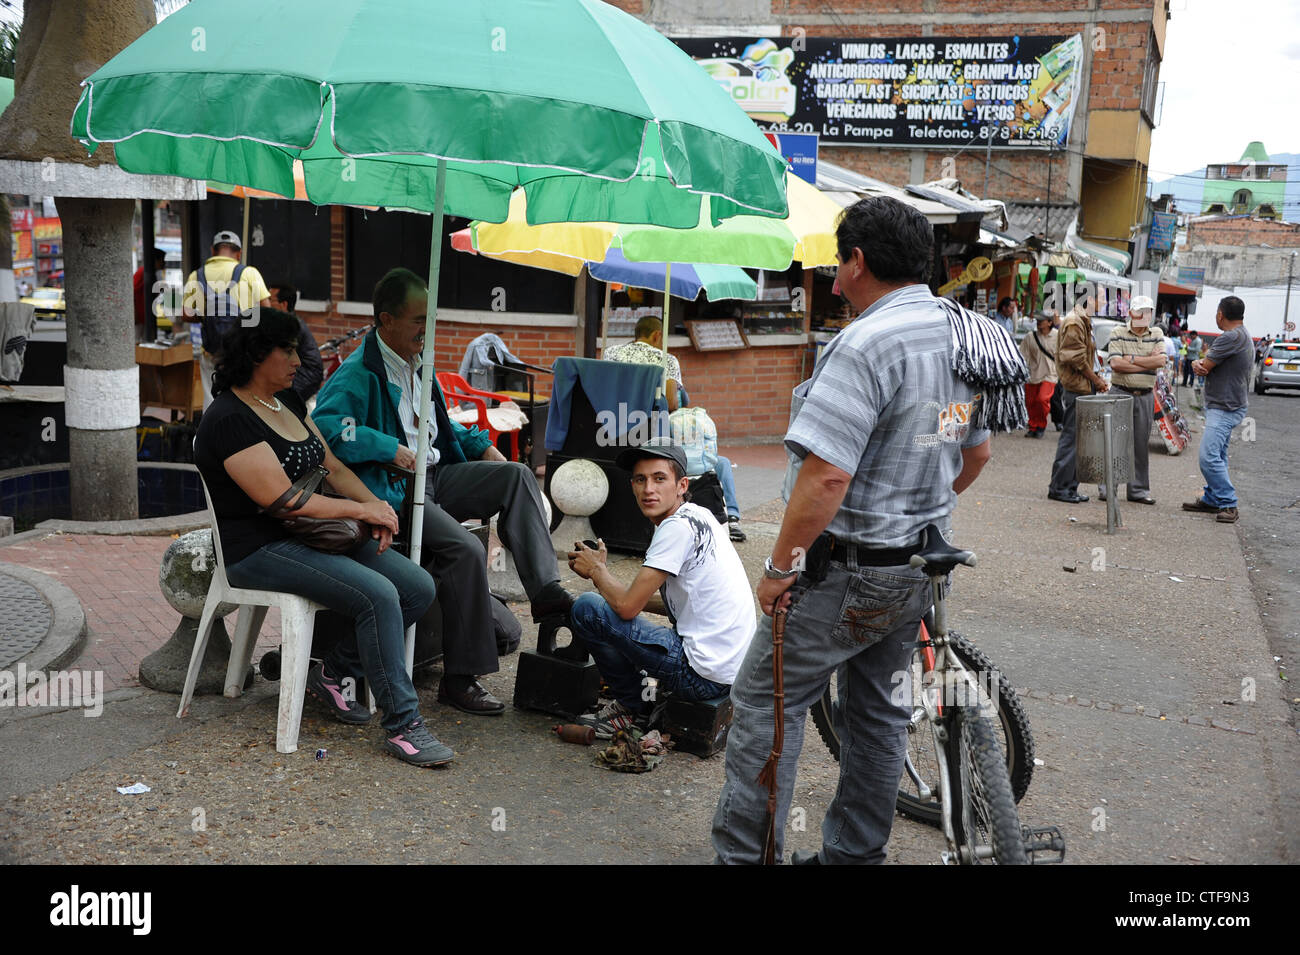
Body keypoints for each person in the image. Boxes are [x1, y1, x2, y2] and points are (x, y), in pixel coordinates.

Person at [711, 197, 1008, 865]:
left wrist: (780, 566)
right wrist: (913, 507)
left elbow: (825, 480)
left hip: (842, 571)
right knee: (876, 714)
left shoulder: (865, 342)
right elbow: (973, 454)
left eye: (839, 264)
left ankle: (746, 858)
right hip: (917, 571)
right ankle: (853, 856)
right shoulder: (959, 334)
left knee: (763, 707)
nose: (836, 280)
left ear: (859, 262)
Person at [193, 306, 452, 767]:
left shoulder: (287, 401)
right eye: (287, 350)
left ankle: (334, 672)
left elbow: (331, 466)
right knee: (377, 595)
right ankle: (404, 727)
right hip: (258, 548)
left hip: (313, 535)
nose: (300, 359)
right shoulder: (228, 419)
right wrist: (360, 508)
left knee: (417, 587)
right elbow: (284, 500)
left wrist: (379, 511)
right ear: (256, 353)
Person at [313, 268, 572, 715]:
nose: (426, 330)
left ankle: (546, 594)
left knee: (516, 475)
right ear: (386, 320)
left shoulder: (419, 362)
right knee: (466, 550)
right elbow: (327, 430)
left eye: (429, 320)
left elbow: (440, 426)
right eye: (418, 321)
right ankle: (459, 679)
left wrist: (486, 447)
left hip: (437, 477)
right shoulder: (358, 372)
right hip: (397, 490)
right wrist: (386, 447)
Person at [566, 438, 753, 738]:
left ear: (681, 485)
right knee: (610, 607)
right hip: (731, 673)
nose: (648, 489)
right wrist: (613, 585)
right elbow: (675, 602)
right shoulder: (700, 515)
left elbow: (627, 607)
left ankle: (632, 706)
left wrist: (598, 572)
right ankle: (643, 692)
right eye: (640, 480)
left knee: (587, 608)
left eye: (659, 479)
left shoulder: (675, 528)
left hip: (701, 676)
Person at [605, 315, 747, 542]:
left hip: (612, 428)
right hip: (654, 433)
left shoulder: (610, 353)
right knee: (720, 462)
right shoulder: (666, 360)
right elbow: (672, 403)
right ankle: (732, 517)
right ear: (657, 336)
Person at [1183, 296, 1252, 524]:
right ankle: (1213, 499)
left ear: (1221, 314)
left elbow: (1203, 367)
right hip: (1229, 404)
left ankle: (1228, 503)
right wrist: (1200, 363)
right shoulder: (1243, 334)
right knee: (1219, 456)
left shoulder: (1230, 337)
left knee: (1208, 457)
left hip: (1225, 407)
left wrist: (1196, 363)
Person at [184, 230, 272, 410]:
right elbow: (267, 309)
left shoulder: (196, 275)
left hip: (212, 351)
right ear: (238, 253)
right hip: (244, 350)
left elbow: (185, 314)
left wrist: (206, 314)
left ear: (213, 251)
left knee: (211, 397)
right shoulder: (249, 273)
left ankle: (211, 435)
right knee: (243, 396)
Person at [1099, 294, 1165, 505]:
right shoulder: (1118, 332)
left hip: (1144, 395)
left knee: (1139, 444)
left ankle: (1138, 490)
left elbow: (1161, 361)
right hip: (1121, 392)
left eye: (1148, 312)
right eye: (1141, 312)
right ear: (1131, 314)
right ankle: (1108, 487)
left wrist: (1133, 360)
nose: (1145, 316)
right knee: (1114, 442)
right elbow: (1116, 364)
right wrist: (1148, 361)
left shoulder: (1157, 333)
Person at [1047, 292, 1108, 503]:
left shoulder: (1082, 321)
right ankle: (1059, 488)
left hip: (1084, 387)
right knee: (1071, 439)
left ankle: (1070, 487)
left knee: (1080, 441)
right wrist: (1096, 380)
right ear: (1089, 299)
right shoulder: (1074, 322)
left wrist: (1096, 379)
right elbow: (1076, 359)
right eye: (1102, 297)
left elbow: (1086, 358)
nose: (1105, 302)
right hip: (1077, 388)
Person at [266, 281, 324, 401]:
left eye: (271, 300)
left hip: (306, 376)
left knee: (278, 399)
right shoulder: (284, 323)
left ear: (284, 304)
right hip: (298, 373)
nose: (267, 303)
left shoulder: (292, 326)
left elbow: (280, 358)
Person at [1018, 311, 1058, 437]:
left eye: (1042, 320)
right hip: (1033, 374)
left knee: (1042, 399)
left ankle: (1041, 425)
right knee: (1030, 402)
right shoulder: (1030, 337)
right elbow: (1022, 355)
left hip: (1051, 375)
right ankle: (1033, 426)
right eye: (1038, 320)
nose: (1039, 322)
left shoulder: (1058, 336)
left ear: (1050, 322)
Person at [133, 246, 167, 341]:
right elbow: (132, 294)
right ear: (155, 260)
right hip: (139, 320)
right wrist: (135, 316)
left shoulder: (152, 274)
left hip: (145, 319)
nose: (164, 263)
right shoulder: (142, 273)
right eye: (162, 260)